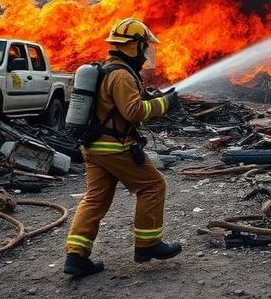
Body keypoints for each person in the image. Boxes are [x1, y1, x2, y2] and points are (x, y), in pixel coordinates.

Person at [63, 18, 182, 277]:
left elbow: (118, 105)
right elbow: (133, 112)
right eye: (143, 48)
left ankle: (76, 256)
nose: (145, 54)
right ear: (133, 47)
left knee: (95, 200)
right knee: (153, 185)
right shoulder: (121, 75)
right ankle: (148, 244)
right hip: (116, 148)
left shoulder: (107, 69)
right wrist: (167, 104)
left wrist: (153, 97)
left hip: (94, 148)